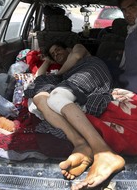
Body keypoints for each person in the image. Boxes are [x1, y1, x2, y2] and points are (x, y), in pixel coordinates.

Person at [25, 42, 125, 190]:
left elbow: (76, 55)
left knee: (56, 97)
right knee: (39, 99)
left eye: (58, 50)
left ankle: (104, 151)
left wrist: (59, 74)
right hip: (72, 81)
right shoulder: (63, 72)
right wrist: (48, 61)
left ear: (68, 49)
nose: (57, 54)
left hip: (92, 71)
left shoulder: (79, 49)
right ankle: (81, 144)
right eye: (53, 54)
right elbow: (38, 77)